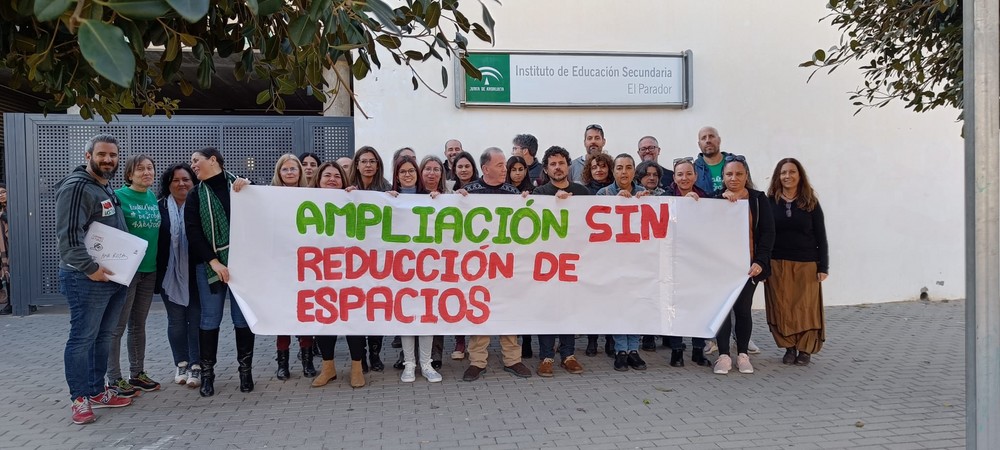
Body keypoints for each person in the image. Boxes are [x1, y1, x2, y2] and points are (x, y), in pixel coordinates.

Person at [56, 134, 133, 424]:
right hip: (86, 279)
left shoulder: (104, 185)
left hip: (113, 277)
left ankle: (97, 390)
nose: (108, 160)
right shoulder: (77, 187)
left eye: (112, 155)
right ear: (88, 156)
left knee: (103, 336)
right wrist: (91, 269)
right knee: (82, 339)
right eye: (102, 154)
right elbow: (68, 237)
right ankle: (79, 398)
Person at [185, 147, 256, 396]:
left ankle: (245, 372)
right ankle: (207, 375)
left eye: (196, 160)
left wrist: (249, 184)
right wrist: (214, 261)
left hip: (243, 264)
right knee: (209, 319)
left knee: (241, 319)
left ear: (213, 160)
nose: (192, 165)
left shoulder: (240, 187)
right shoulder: (195, 195)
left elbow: (261, 216)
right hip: (210, 266)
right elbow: (193, 233)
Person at [460, 148, 533, 382]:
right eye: (500, 165)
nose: (505, 169)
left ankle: (513, 359)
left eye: (505, 165)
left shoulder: (513, 193)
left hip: (505, 265)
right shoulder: (468, 193)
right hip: (478, 266)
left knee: (509, 310)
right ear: (485, 169)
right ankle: (477, 361)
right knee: (479, 311)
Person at [530, 146, 591, 377]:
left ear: (568, 166)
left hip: (573, 261)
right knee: (548, 308)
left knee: (569, 307)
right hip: (546, 263)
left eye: (561, 163)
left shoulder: (582, 193)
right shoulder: (540, 194)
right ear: (546, 169)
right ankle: (546, 356)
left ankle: (568, 355)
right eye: (552, 164)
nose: (557, 167)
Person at [713, 155, 775, 375]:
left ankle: (742, 355)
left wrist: (760, 261)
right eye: (729, 174)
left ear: (746, 175)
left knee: (742, 309)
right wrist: (720, 201)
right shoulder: (715, 199)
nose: (734, 178)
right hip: (722, 267)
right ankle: (722, 356)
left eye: (739, 174)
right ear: (723, 177)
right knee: (722, 310)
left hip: (749, 267)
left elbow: (768, 233)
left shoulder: (758, 199)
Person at [309, 161, 368, 388]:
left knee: (352, 319)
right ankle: (328, 368)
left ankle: (356, 367)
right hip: (320, 272)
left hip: (351, 271)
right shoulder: (304, 200)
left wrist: (356, 198)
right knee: (324, 320)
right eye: (327, 176)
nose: (332, 179)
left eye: (337, 176)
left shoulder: (351, 198)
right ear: (319, 180)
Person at [107, 154, 163, 395]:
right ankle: (114, 378)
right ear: (129, 174)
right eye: (140, 169)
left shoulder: (152, 197)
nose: (147, 173)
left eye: (150, 168)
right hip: (126, 272)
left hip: (148, 271)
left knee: (138, 325)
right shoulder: (118, 197)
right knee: (117, 327)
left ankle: (137, 373)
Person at [764, 158, 828, 366]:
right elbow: (762, 233)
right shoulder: (770, 201)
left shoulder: (810, 202)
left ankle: (805, 349)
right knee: (782, 306)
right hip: (777, 262)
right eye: (783, 172)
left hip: (806, 263)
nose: (787, 176)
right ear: (778, 176)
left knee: (805, 307)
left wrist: (823, 266)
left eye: (792, 172)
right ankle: (789, 347)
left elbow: (821, 236)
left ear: (799, 175)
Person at [596, 153, 648, 371]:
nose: (624, 172)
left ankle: (634, 349)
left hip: (640, 261)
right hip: (614, 260)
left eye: (628, 167)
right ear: (613, 171)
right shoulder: (603, 193)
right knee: (618, 304)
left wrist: (647, 202)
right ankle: (620, 350)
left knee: (636, 304)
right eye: (619, 168)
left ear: (634, 171)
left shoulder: (648, 195)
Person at [154, 163, 202, 388]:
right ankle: (181, 363)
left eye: (186, 179)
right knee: (176, 321)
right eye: (176, 180)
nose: (182, 183)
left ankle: (196, 365)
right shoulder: (157, 207)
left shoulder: (201, 204)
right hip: (169, 274)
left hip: (197, 272)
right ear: (168, 184)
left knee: (195, 320)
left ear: (194, 182)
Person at [661, 157, 711, 367]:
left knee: (697, 306)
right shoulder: (664, 197)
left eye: (688, 174)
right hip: (671, 261)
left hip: (696, 261)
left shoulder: (705, 198)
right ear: (674, 177)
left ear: (695, 176)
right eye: (680, 174)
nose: (684, 178)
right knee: (675, 307)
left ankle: (698, 350)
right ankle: (676, 351)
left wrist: (695, 206)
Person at [270, 154, 315, 380]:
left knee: (305, 314)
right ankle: (283, 363)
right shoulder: (269, 197)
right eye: (285, 169)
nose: (289, 173)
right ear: (279, 173)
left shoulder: (311, 196)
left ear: (300, 172)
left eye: (293, 169)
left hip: (307, 266)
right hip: (281, 266)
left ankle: (307, 361)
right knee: (283, 315)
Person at [347, 146, 389, 372]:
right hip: (352, 260)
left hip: (378, 260)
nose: (368, 165)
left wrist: (394, 200)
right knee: (355, 309)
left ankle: (375, 353)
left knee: (376, 308)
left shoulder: (386, 189)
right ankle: (359, 356)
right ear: (357, 164)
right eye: (364, 161)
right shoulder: (346, 188)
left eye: (372, 161)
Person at [693, 126, 731, 194]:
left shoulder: (735, 164)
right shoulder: (694, 169)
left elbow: (748, 190)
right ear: (699, 144)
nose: (708, 141)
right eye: (703, 138)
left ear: (719, 140)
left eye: (711, 136)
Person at [0, 183, 10, 315]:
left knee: (10, 274)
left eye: (3, 192)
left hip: (11, 247)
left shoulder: (11, 208)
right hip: (2, 247)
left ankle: (12, 302)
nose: (1, 195)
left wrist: (4, 216)